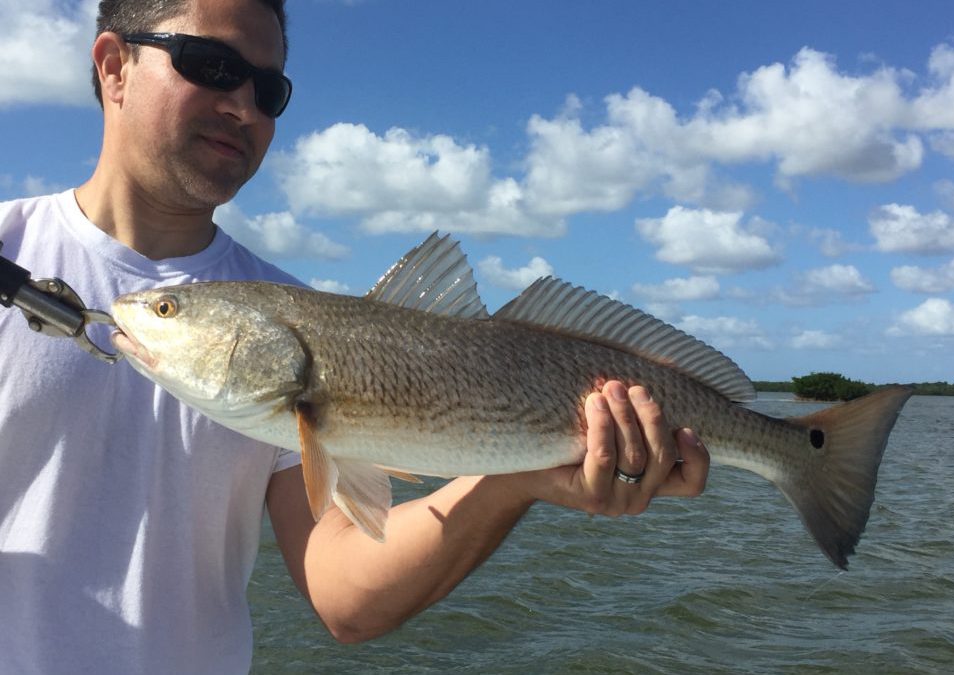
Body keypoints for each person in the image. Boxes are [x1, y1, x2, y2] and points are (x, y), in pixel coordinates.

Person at [0, 0, 710, 672]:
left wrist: (515, 478)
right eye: (211, 66)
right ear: (113, 66)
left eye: (270, 90)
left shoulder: (302, 322)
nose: (244, 106)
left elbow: (345, 592)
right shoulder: (10, 249)